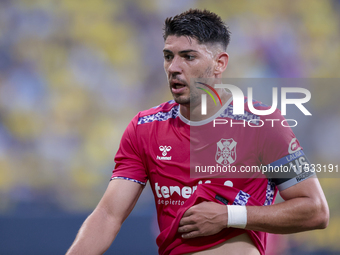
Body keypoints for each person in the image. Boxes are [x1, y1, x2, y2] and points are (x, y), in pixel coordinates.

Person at [66, 9, 329, 255]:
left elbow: (315, 210)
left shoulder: (261, 123)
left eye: (188, 56)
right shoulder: (144, 128)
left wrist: (228, 215)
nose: (173, 67)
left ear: (219, 63)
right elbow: (108, 215)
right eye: (168, 56)